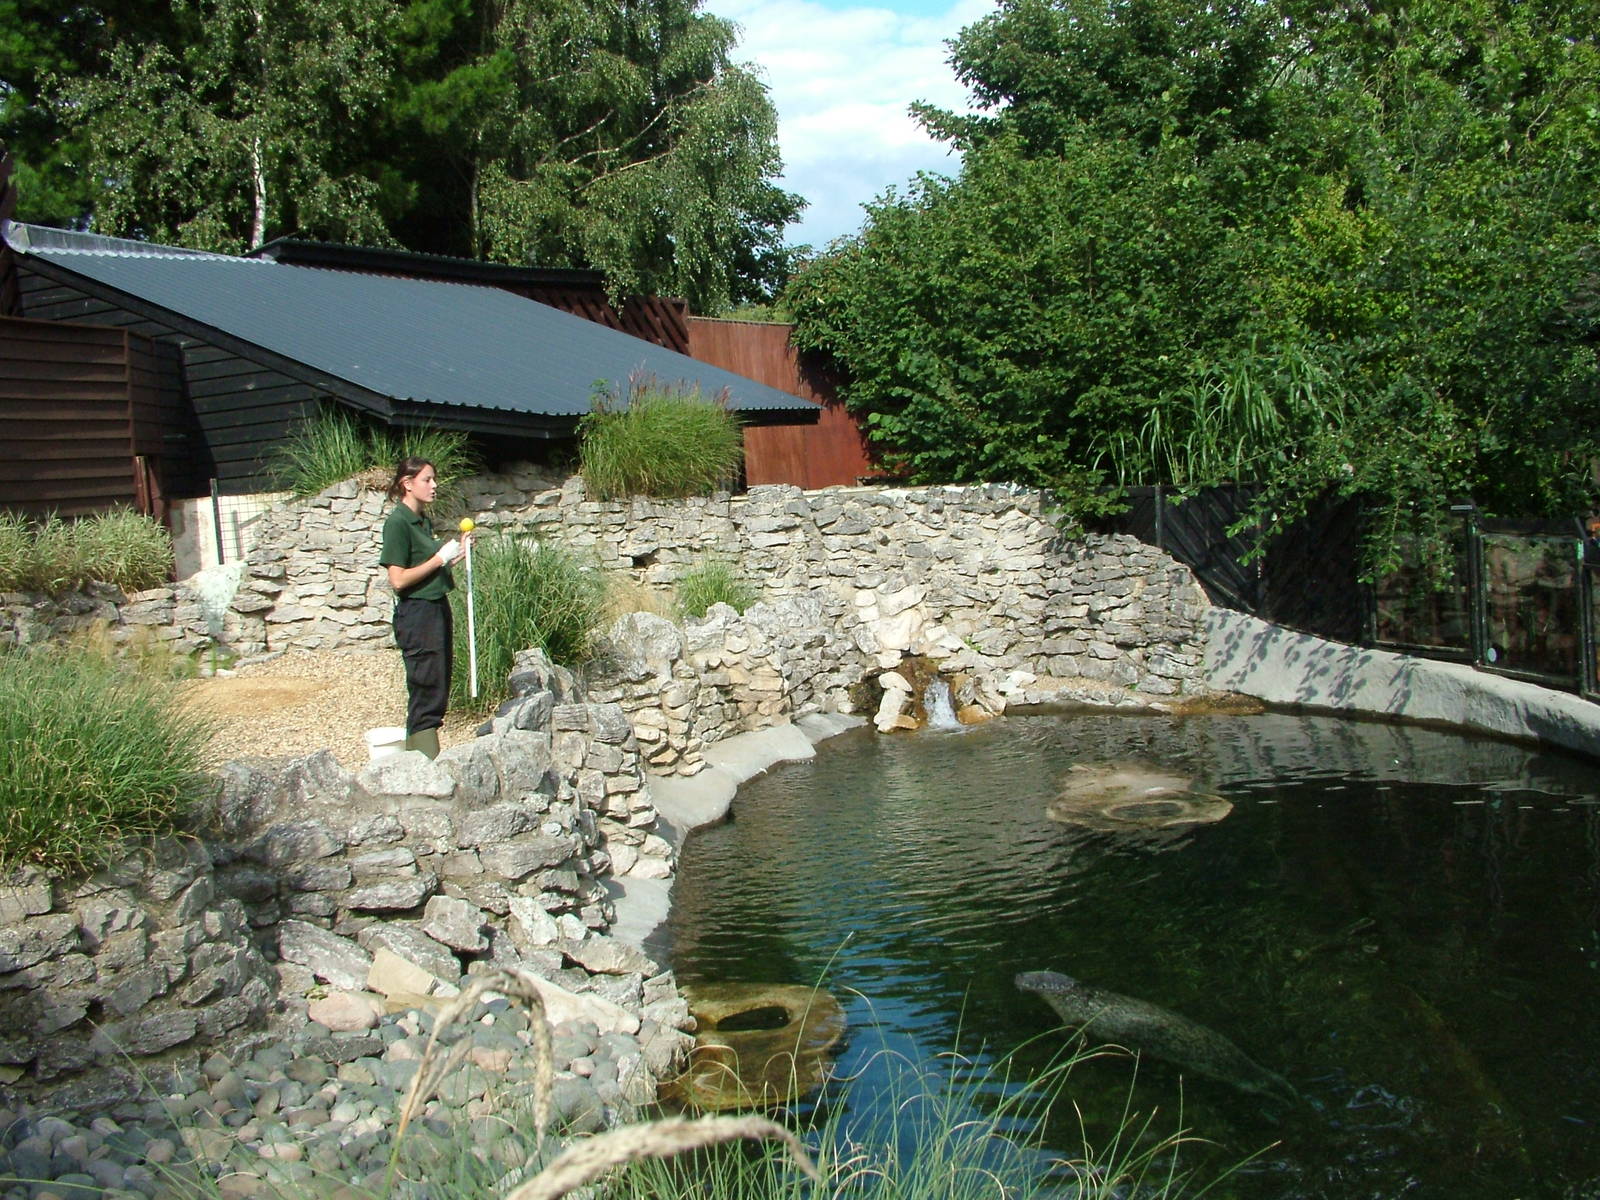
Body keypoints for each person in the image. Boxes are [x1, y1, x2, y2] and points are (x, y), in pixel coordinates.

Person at [378, 457, 469, 758]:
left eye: (434, 479)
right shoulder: (398, 523)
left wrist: (455, 555)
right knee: (425, 689)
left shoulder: (423, 520)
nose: (434, 485)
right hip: (417, 615)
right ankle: (423, 766)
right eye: (427, 480)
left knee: (438, 686)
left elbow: (428, 569)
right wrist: (439, 559)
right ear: (407, 484)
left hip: (436, 607)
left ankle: (424, 762)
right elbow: (399, 579)